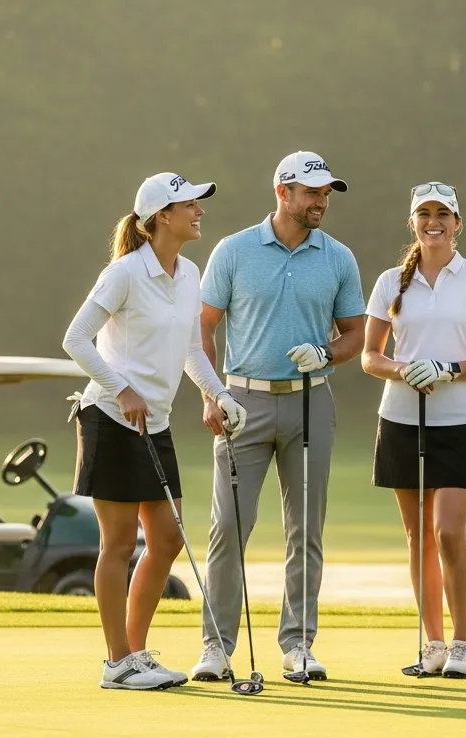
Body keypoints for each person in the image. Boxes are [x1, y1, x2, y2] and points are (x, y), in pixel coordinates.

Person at [61, 171, 248, 691]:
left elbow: (191, 352)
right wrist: (120, 388)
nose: (199, 211)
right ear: (161, 215)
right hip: (111, 418)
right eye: (190, 203)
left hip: (155, 422)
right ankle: (117, 661)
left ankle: (137, 653)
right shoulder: (124, 273)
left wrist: (220, 394)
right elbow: (75, 340)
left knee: (165, 541)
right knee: (118, 545)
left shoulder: (189, 274)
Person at [191, 151, 366, 683]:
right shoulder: (235, 250)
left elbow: (357, 335)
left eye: (326, 194)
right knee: (229, 528)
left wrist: (328, 353)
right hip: (242, 402)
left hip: (312, 401)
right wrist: (210, 394)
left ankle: (298, 645)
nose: (321, 202)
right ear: (282, 191)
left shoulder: (338, 257)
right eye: (312, 193)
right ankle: (216, 648)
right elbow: (201, 329)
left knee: (306, 530)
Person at [361, 182, 466, 678]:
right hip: (401, 418)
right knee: (418, 536)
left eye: (443, 213)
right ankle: (434, 643)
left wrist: (447, 369)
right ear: (413, 223)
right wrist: (403, 370)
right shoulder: (390, 282)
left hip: (460, 419)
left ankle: (463, 643)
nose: (433, 222)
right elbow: (370, 356)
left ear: (458, 222)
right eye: (424, 213)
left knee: (448, 531)